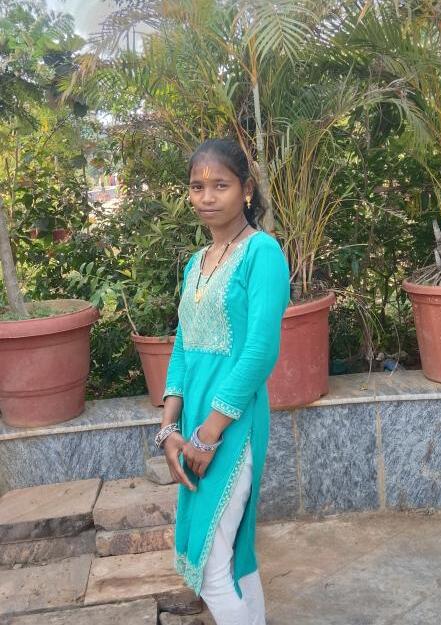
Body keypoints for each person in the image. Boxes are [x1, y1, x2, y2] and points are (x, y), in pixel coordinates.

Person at [156, 138, 290, 625]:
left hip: (232, 425)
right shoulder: (195, 264)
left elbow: (260, 351)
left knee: (212, 567)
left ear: (246, 189)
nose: (207, 197)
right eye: (197, 187)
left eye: (220, 185)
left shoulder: (262, 253)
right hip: (194, 422)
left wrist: (209, 432)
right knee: (233, 555)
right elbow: (183, 345)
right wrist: (169, 429)